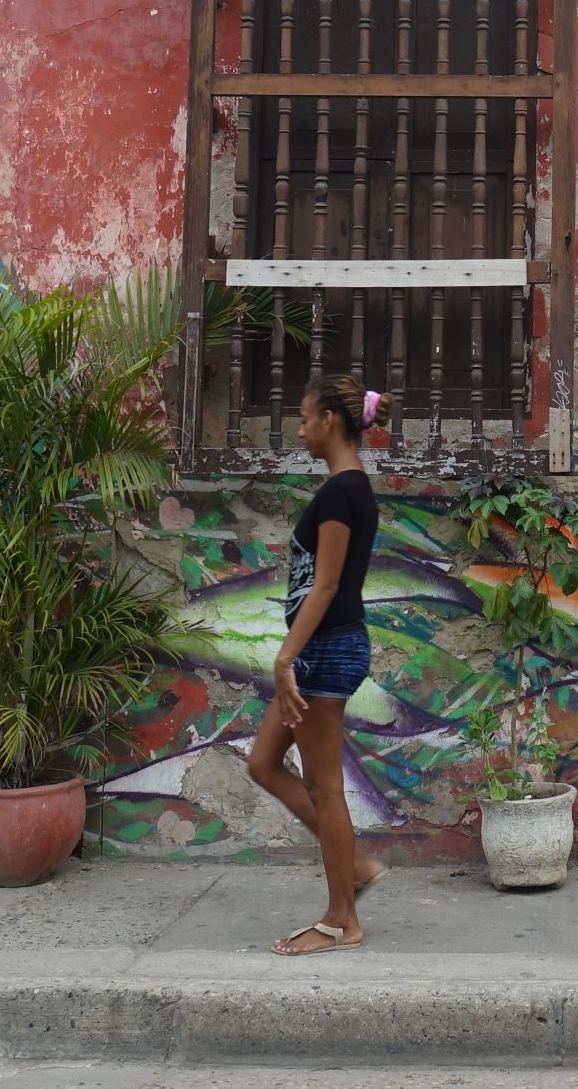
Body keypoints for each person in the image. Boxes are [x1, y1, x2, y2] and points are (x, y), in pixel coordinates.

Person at [248, 374, 393, 954]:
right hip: (322, 647)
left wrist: (286, 657)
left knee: (325, 787)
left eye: (306, 419)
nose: (302, 430)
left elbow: (327, 584)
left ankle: (341, 921)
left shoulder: (341, 492)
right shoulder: (347, 488)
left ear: (331, 420)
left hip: (325, 649)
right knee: (263, 763)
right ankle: (354, 863)